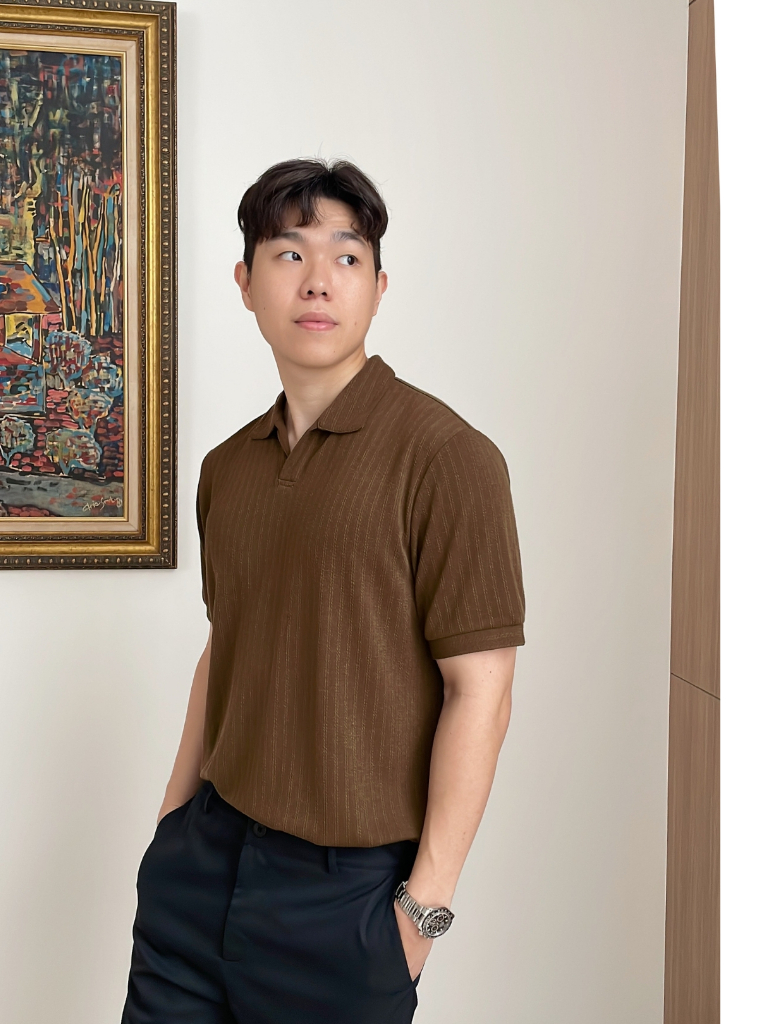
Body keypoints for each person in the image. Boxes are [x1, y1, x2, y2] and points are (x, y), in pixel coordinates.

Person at [121, 158, 525, 1024]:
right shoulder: (226, 469)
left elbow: (482, 692)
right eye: (288, 253)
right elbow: (227, 647)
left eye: (346, 257)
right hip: (200, 870)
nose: (317, 281)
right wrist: (173, 822)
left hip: (346, 902)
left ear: (378, 287)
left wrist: (420, 916)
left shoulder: (448, 458)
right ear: (245, 284)